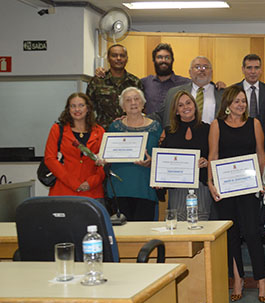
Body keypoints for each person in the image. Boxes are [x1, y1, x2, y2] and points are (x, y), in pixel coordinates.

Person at [208, 85, 265, 303]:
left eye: (243, 101)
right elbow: (213, 155)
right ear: (227, 104)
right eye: (236, 101)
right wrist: (210, 182)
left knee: (253, 232)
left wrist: (263, 180)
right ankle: (237, 279)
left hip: (249, 187)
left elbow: (261, 154)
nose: (241, 104)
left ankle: (262, 280)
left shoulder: (255, 123)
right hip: (225, 189)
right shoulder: (217, 125)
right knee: (231, 235)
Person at [106, 87, 162, 220]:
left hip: (145, 187)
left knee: (144, 233)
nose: (133, 103)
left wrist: (151, 162)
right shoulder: (114, 127)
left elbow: (162, 156)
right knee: (123, 234)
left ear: (143, 104)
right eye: (128, 100)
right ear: (123, 107)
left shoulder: (156, 127)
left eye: (137, 99)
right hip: (119, 187)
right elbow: (107, 153)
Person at [159, 90, 211, 220]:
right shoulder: (168, 132)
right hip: (177, 188)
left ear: (195, 106)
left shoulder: (207, 129)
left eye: (188, 103)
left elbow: (216, 156)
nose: (186, 107)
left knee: (202, 224)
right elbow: (161, 162)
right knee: (178, 224)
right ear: (176, 111)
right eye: (180, 105)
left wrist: (207, 162)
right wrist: (159, 178)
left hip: (201, 185)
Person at [44, 93, 105, 200]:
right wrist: (73, 183)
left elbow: (105, 160)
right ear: (68, 109)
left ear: (88, 108)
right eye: (73, 106)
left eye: (81, 105)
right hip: (63, 191)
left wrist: (91, 182)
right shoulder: (57, 129)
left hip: (92, 192)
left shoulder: (99, 131)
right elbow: (50, 159)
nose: (77, 109)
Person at [87, 44, 144, 128]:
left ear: (127, 59)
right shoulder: (97, 82)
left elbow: (141, 108)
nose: (118, 58)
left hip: (129, 130)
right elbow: (88, 108)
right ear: (108, 59)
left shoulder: (135, 82)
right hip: (103, 131)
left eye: (122, 56)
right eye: (114, 55)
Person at [159, 56, 224, 125]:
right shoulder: (173, 93)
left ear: (211, 72)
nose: (202, 70)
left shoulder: (223, 94)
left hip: (213, 135)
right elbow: (161, 115)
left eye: (205, 67)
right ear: (190, 72)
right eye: (197, 67)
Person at [140, 43, 191, 116]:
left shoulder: (185, 83)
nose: (163, 60)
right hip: (151, 126)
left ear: (172, 60)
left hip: (176, 127)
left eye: (167, 57)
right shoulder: (144, 83)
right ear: (154, 60)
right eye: (159, 57)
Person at [238, 54, 265, 149]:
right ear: (243, 69)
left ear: (261, 70)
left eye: (256, 68)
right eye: (249, 68)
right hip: (239, 139)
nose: (253, 72)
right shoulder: (233, 90)